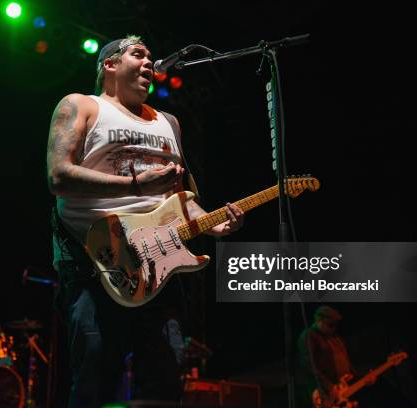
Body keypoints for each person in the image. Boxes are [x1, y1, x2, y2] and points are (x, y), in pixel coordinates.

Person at [46, 35, 244, 407]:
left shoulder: (169, 122)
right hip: (96, 265)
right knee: (95, 382)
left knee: (165, 385)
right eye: (138, 54)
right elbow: (58, 177)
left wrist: (212, 223)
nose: (149, 62)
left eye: (151, 57)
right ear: (109, 65)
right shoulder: (82, 106)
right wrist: (134, 183)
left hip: (158, 266)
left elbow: (179, 198)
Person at [298, 306, 362, 407]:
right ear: (319, 320)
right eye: (330, 325)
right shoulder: (309, 335)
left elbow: (345, 361)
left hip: (342, 390)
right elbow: (308, 365)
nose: (333, 328)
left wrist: (360, 378)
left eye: (335, 325)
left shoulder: (335, 338)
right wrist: (329, 386)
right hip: (325, 393)